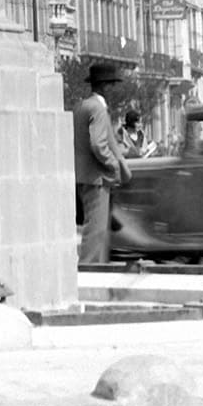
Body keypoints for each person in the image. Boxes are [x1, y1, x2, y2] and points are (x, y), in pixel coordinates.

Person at [71, 62, 129, 266]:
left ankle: (95, 264)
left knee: (95, 226)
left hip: (84, 175)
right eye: (112, 84)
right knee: (95, 229)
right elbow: (98, 143)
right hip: (97, 177)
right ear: (105, 86)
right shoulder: (98, 109)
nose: (114, 89)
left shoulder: (82, 106)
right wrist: (113, 165)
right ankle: (88, 267)